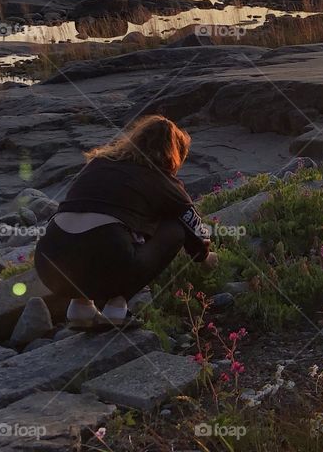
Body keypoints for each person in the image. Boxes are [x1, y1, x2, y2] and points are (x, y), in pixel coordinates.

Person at [35, 115, 216, 330]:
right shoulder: (162, 180)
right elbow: (194, 229)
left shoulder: (98, 163)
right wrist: (205, 257)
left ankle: (80, 308)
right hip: (107, 259)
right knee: (174, 229)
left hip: (49, 264)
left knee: (109, 228)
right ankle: (116, 308)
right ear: (174, 154)